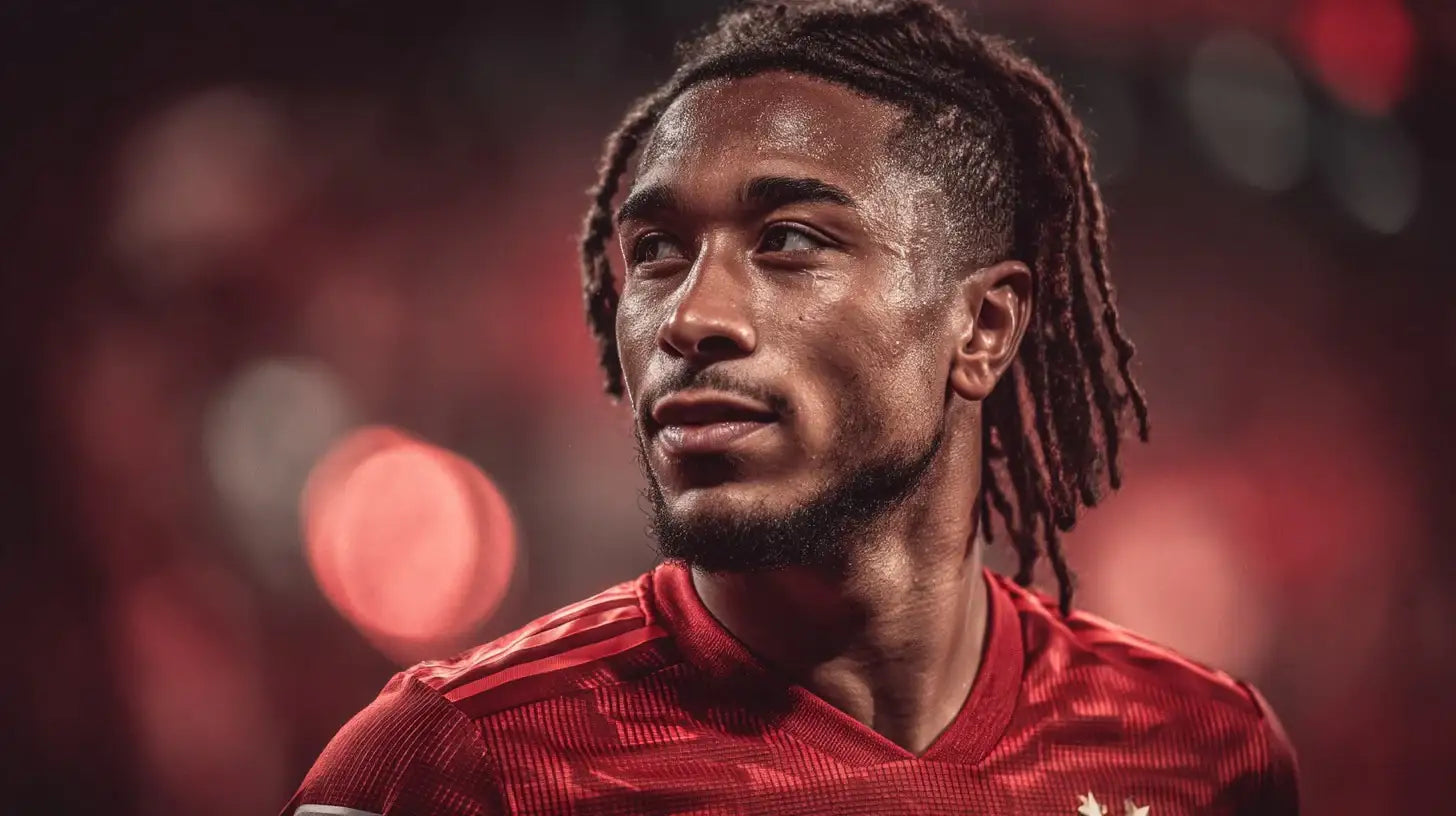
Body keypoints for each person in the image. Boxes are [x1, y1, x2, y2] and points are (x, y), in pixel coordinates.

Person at [284, 1, 1299, 813]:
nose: (691, 318)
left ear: (983, 328)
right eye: (656, 252)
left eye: (789, 241)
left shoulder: (1200, 753)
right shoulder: (453, 765)